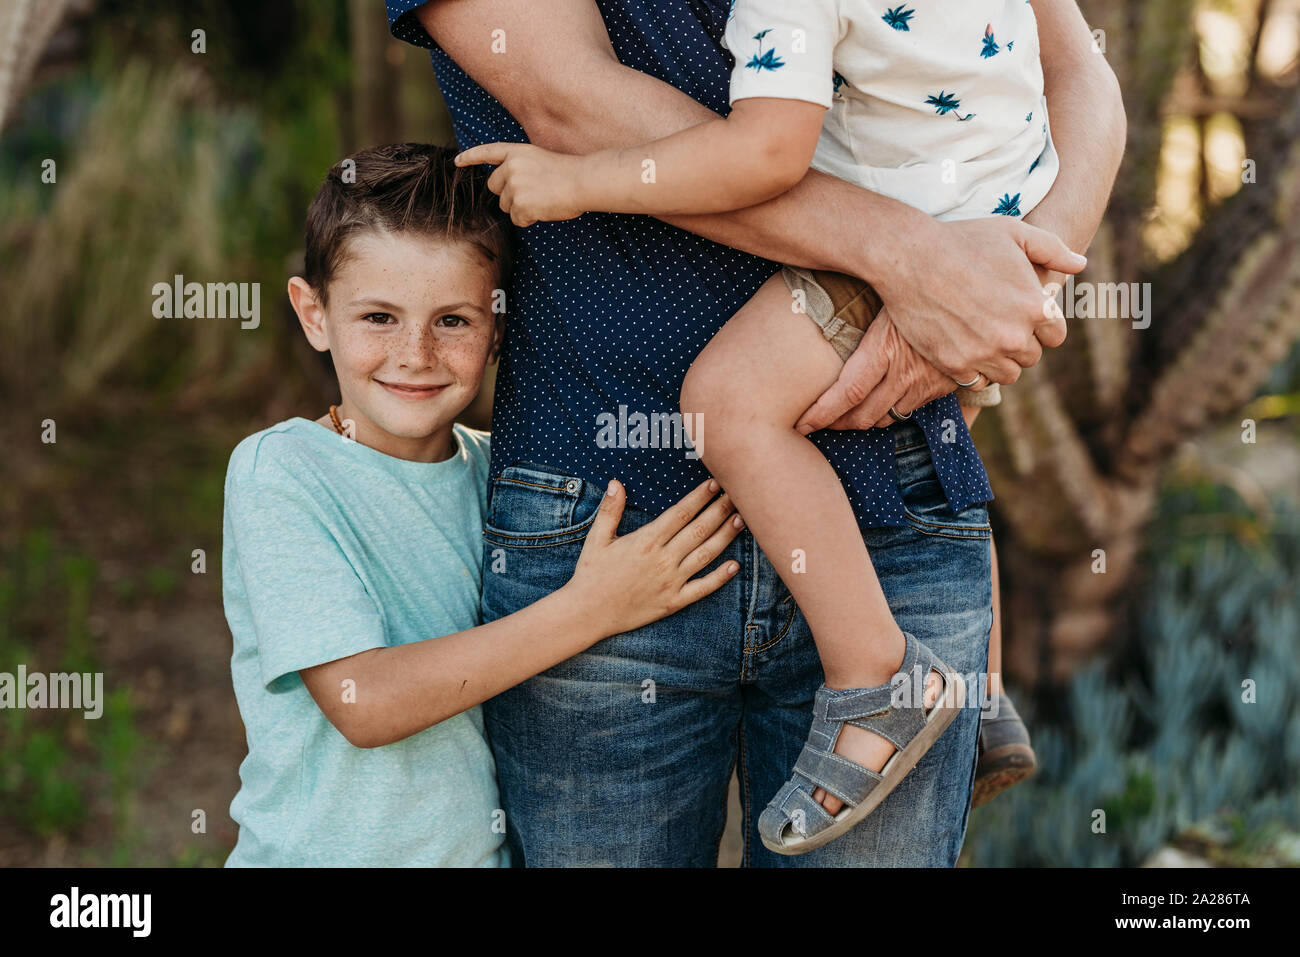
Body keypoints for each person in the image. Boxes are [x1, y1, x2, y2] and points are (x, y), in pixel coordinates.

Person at [386, 0, 1125, 866]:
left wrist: (1012, 291)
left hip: (894, 512)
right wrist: (918, 262)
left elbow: (1077, 73)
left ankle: (911, 682)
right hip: (610, 526)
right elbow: (574, 106)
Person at [221, 143, 744, 866]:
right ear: (313, 314)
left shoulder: (500, 476)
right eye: (378, 317)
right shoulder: (281, 472)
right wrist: (594, 608)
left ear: (500, 329)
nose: (415, 353)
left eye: (454, 321)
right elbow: (363, 701)